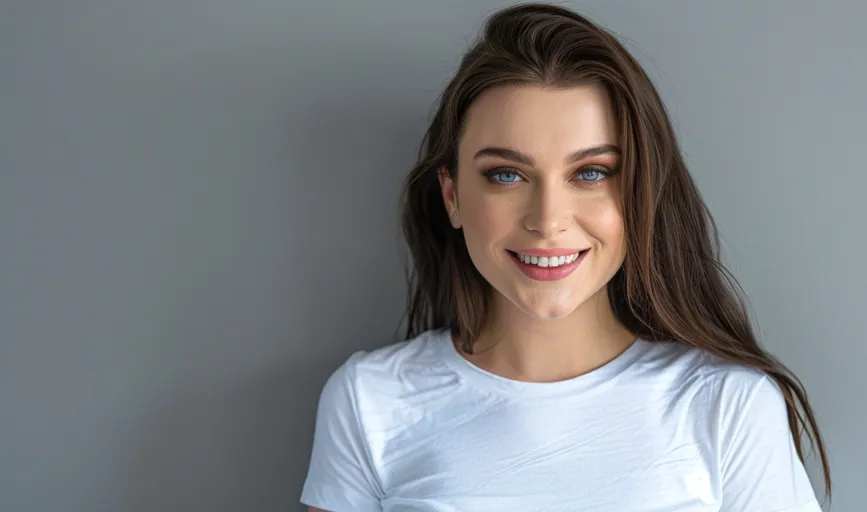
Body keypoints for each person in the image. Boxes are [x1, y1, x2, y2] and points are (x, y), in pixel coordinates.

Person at [301, 3, 830, 511]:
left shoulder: (728, 406)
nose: (548, 220)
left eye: (591, 173)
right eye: (506, 174)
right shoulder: (368, 401)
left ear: (639, 193)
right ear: (452, 196)